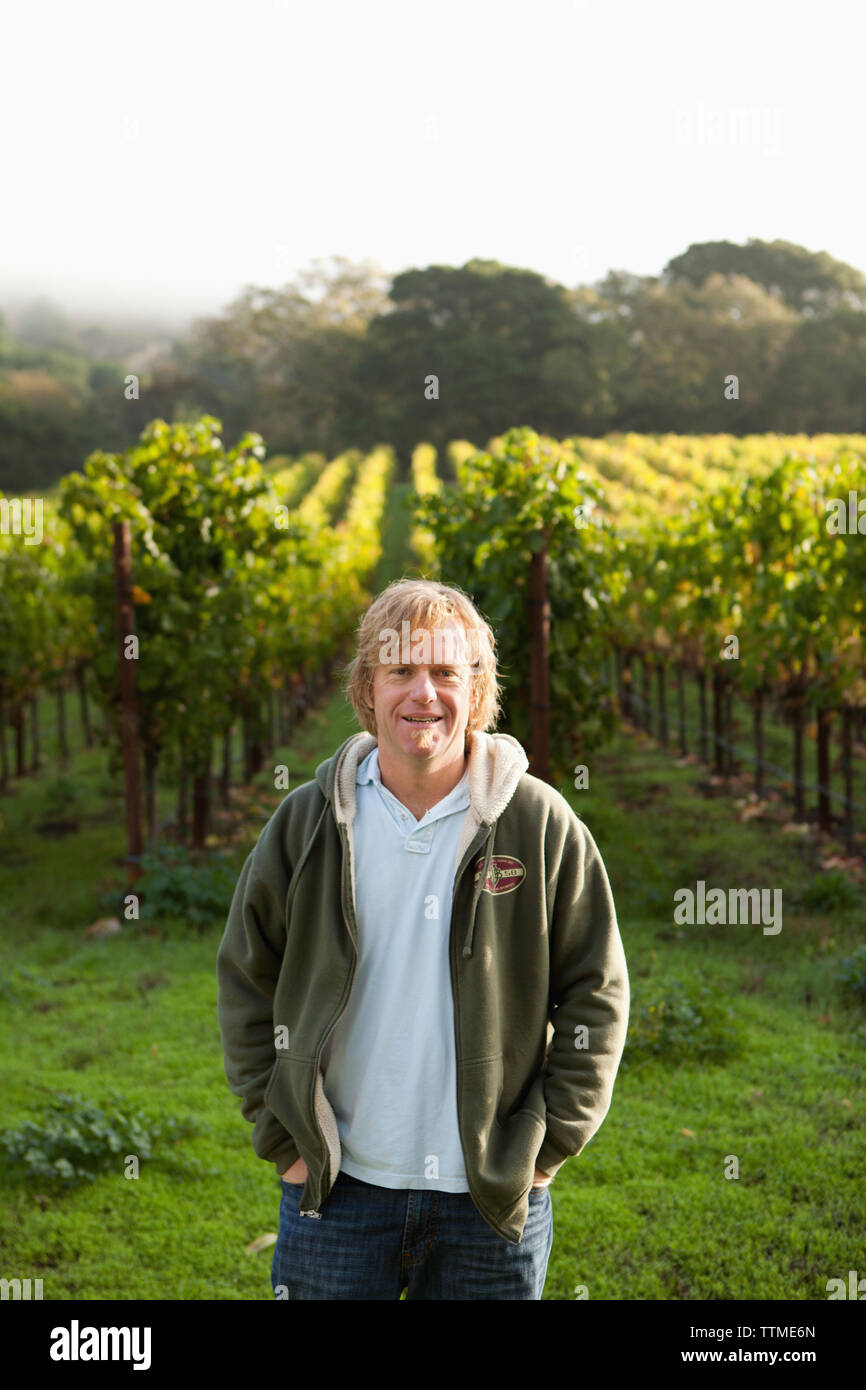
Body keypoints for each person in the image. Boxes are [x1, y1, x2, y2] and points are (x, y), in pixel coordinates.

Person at [216, 577, 629, 1300]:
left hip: (490, 1197)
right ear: (367, 686)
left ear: (477, 688)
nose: (423, 693)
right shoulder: (307, 822)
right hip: (338, 1191)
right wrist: (283, 1139)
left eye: (445, 671)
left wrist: (545, 1148)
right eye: (401, 670)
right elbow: (247, 976)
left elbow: (598, 989)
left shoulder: (539, 822)